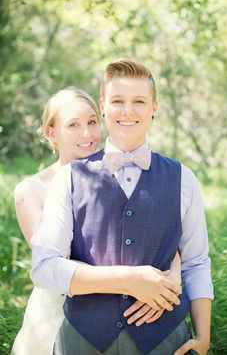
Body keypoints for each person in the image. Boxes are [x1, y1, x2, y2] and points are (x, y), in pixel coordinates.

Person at [31, 59, 213, 355]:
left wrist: (203, 337)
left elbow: (196, 262)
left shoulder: (183, 179)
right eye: (118, 101)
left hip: (166, 341)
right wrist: (130, 279)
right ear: (102, 106)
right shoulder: (71, 177)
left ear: (154, 106)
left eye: (139, 101)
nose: (127, 111)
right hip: (81, 342)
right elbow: (44, 267)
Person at [11, 88, 101, 354]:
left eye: (92, 122)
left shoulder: (120, 174)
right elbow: (52, 263)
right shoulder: (30, 191)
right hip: (56, 315)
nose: (87, 134)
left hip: (115, 311)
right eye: (73, 124)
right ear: (52, 133)